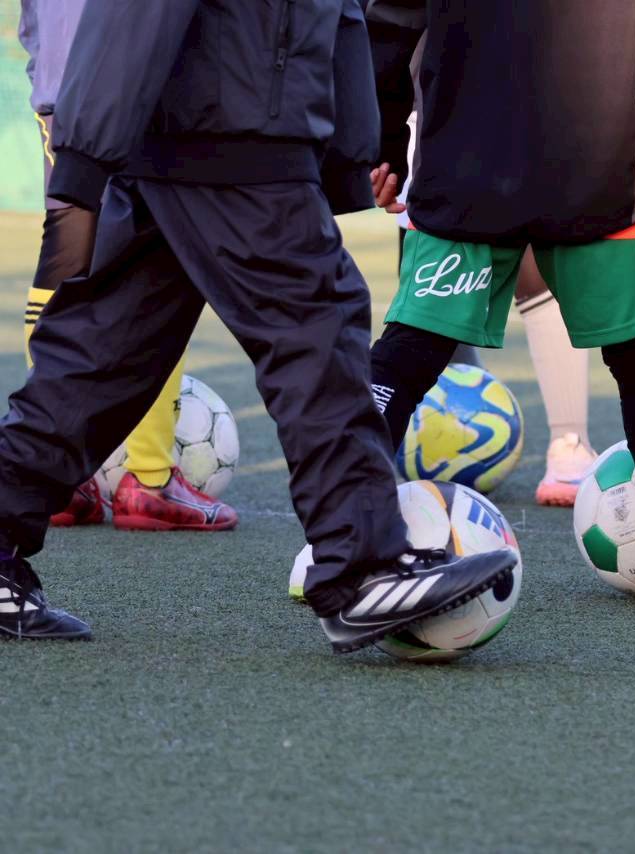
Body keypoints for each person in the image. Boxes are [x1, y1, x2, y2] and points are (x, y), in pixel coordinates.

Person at [0, 0, 514, 646]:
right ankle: (363, 567)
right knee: (318, 337)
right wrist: (82, 157)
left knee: (101, 358)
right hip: (230, 134)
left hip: (199, 132)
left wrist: (349, 152)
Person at [362, 0, 635, 613]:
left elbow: (389, 21)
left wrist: (378, 142)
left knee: (405, 352)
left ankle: (336, 546)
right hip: (598, 171)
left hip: (461, 165)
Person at [17, 0, 237, 532]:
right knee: (159, 262)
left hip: (61, 85)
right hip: (140, 86)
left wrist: (47, 68)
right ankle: (149, 479)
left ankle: (53, 480)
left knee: (65, 255)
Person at [391, 103, 597, 507]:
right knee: (441, 275)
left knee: (439, 268)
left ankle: (566, 443)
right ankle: (564, 448)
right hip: (505, 105)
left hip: (447, 108)